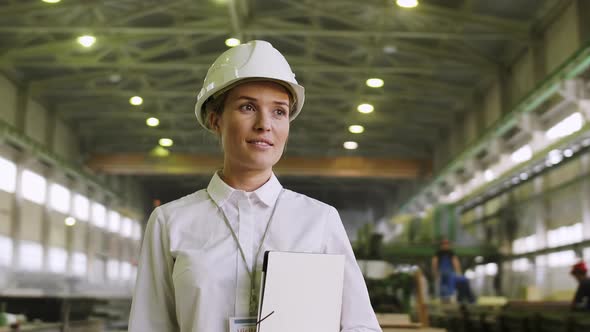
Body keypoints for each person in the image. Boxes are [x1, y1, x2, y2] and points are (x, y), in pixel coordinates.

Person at [128, 40, 382, 332]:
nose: (265, 124)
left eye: (279, 112)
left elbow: (360, 326)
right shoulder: (170, 222)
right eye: (248, 107)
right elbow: (149, 325)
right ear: (215, 120)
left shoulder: (319, 220)